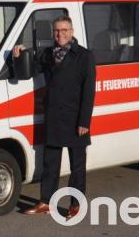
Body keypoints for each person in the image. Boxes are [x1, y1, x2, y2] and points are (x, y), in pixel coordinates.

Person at [12, 15, 96, 219]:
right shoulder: (48, 54)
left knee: (77, 166)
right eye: (57, 30)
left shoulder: (84, 56)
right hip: (54, 116)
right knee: (50, 163)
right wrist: (18, 56)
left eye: (65, 30)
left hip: (76, 118)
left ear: (72, 32)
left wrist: (84, 121)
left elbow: (89, 91)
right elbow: (32, 69)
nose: (61, 34)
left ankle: (75, 205)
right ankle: (45, 202)